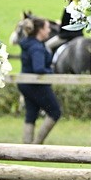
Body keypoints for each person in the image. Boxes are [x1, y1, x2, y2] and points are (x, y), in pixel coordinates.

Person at [16, 16, 61, 144]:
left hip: (24, 83)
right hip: (36, 84)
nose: (49, 31)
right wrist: (51, 71)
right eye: (47, 28)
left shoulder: (29, 43)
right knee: (55, 112)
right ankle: (37, 144)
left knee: (31, 113)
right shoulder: (37, 47)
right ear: (40, 30)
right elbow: (39, 68)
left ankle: (27, 148)